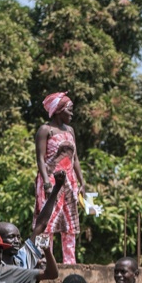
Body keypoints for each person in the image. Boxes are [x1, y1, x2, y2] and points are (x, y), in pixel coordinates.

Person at [34, 92, 84, 263]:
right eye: (69, 110)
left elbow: (74, 159)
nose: (72, 114)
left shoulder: (70, 131)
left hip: (69, 183)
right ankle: (44, 260)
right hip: (51, 181)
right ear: (58, 110)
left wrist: (82, 182)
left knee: (70, 224)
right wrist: (47, 183)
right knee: (46, 223)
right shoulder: (45, 130)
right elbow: (40, 159)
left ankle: (70, 263)